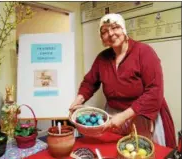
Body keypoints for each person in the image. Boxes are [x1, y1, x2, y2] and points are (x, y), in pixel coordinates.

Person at [69, 13, 176, 148]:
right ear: (102, 38)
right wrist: (77, 102)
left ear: (124, 29)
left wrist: (123, 116)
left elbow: (155, 91)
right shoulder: (102, 58)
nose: (111, 33)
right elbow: (90, 82)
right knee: (116, 150)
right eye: (105, 31)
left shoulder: (144, 52)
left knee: (141, 151)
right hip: (114, 115)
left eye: (115, 27)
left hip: (142, 115)